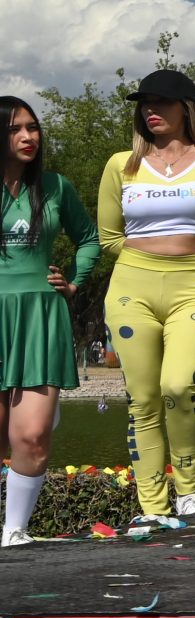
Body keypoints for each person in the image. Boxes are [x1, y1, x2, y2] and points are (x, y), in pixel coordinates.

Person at [95, 70, 195, 522]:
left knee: (177, 386)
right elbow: (108, 237)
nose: (151, 110)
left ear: (186, 108)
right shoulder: (120, 165)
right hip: (131, 288)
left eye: (161, 101)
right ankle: (152, 507)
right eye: (145, 103)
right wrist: (148, 255)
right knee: (142, 399)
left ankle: (188, 491)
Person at [1, 97, 100, 546]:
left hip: (41, 315)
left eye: (33, 127)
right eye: (15, 129)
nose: (28, 137)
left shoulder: (56, 186)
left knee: (33, 436)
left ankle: (14, 532)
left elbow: (89, 238)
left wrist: (74, 282)